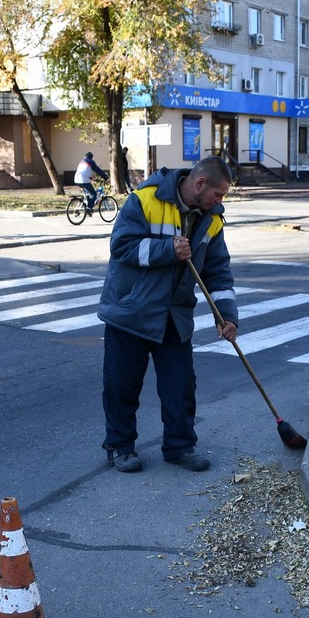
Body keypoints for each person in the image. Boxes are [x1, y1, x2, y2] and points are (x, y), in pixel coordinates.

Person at [98, 156, 238, 474]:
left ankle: (180, 447)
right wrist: (167, 251)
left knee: (181, 385)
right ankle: (120, 447)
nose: (220, 201)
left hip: (175, 316)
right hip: (131, 311)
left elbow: (218, 272)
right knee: (122, 385)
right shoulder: (145, 199)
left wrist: (226, 316)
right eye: (219, 194)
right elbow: (121, 247)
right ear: (200, 184)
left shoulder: (212, 220)